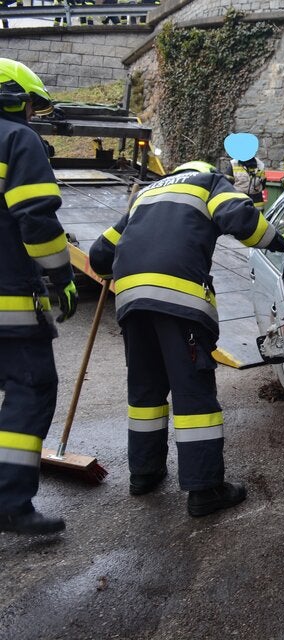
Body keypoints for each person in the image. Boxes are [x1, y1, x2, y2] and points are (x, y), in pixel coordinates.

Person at [88, 161, 284, 517]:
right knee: (193, 396)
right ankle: (204, 490)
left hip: (130, 304)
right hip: (180, 304)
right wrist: (279, 241)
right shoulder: (208, 182)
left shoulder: (144, 196)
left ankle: (143, 475)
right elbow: (241, 218)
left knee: (145, 392)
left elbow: (99, 257)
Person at [0, 58, 78, 535]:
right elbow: (37, 221)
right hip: (8, 300)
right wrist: (61, 276)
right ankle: (9, 502)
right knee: (29, 390)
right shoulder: (15, 139)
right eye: (30, 104)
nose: (31, 114)